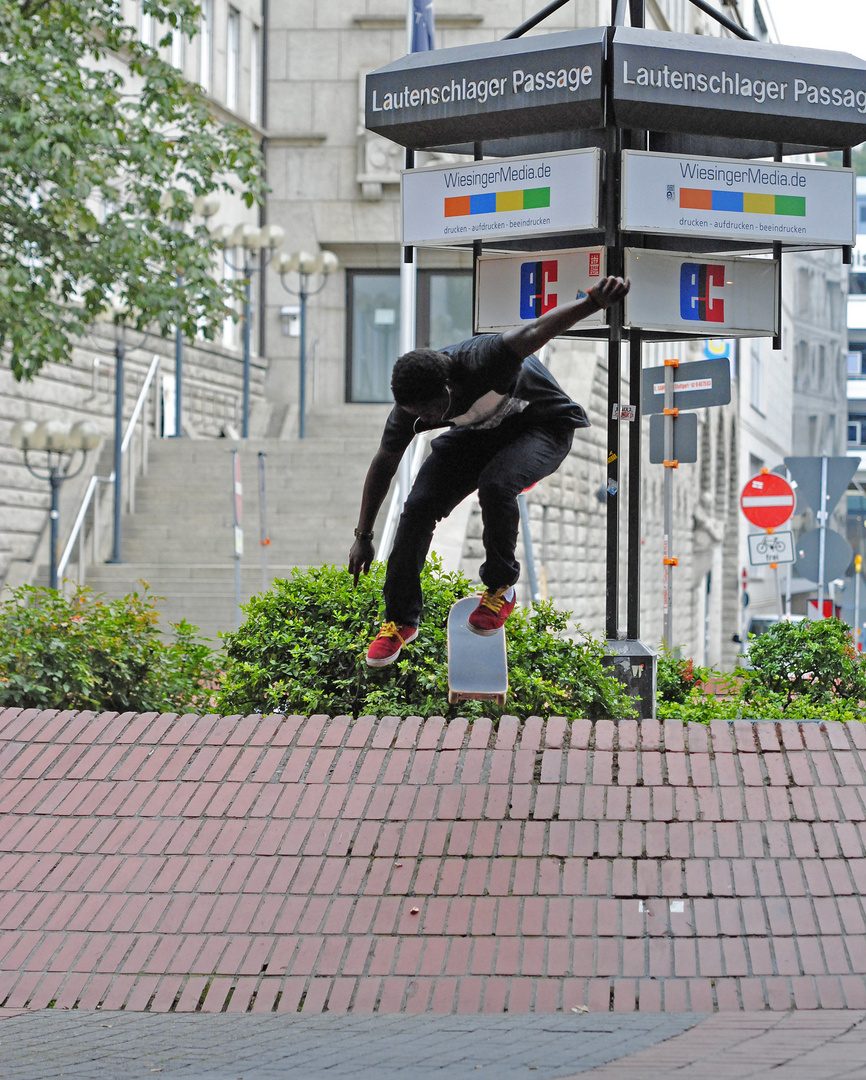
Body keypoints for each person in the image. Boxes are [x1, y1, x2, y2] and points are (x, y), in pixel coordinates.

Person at [349, 275, 631, 668]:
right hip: (476, 438)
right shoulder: (410, 411)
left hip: (541, 427)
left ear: (448, 384)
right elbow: (384, 463)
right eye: (418, 414)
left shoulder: (482, 359)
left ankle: (500, 588)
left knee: (497, 485)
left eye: (431, 410)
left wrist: (592, 303)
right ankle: (400, 620)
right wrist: (363, 536)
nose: (427, 419)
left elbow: (535, 331)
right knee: (416, 509)